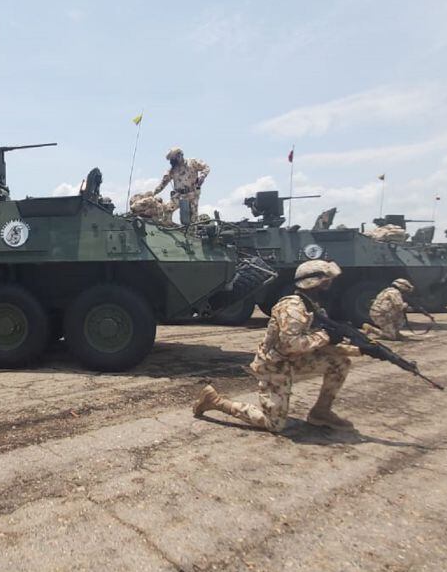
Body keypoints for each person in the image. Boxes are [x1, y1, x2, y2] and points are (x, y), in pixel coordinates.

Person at [194, 260, 361, 432]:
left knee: (340, 362)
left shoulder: (311, 306)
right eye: (325, 282)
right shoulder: (292, 308)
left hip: (296, 360)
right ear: (313, 283)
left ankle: (321, 412)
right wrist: (326, 336)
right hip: (275, 365)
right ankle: (215, 401)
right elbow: (292, 344)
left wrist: (357, 349)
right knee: (274, 424)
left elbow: (317, 345)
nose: (329, 286)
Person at [153, 147, 210, 226]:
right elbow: (162, 184)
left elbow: (206, 167)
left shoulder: (193, 162)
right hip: (179, 196)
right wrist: (153, 194)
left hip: (192, 194)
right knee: (167, 209)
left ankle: (191, 234)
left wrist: (203, 176)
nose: (172, 162)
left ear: (180, 155)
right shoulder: (172, 171)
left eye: (173, 159)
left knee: (193, 220)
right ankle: (168, 227)